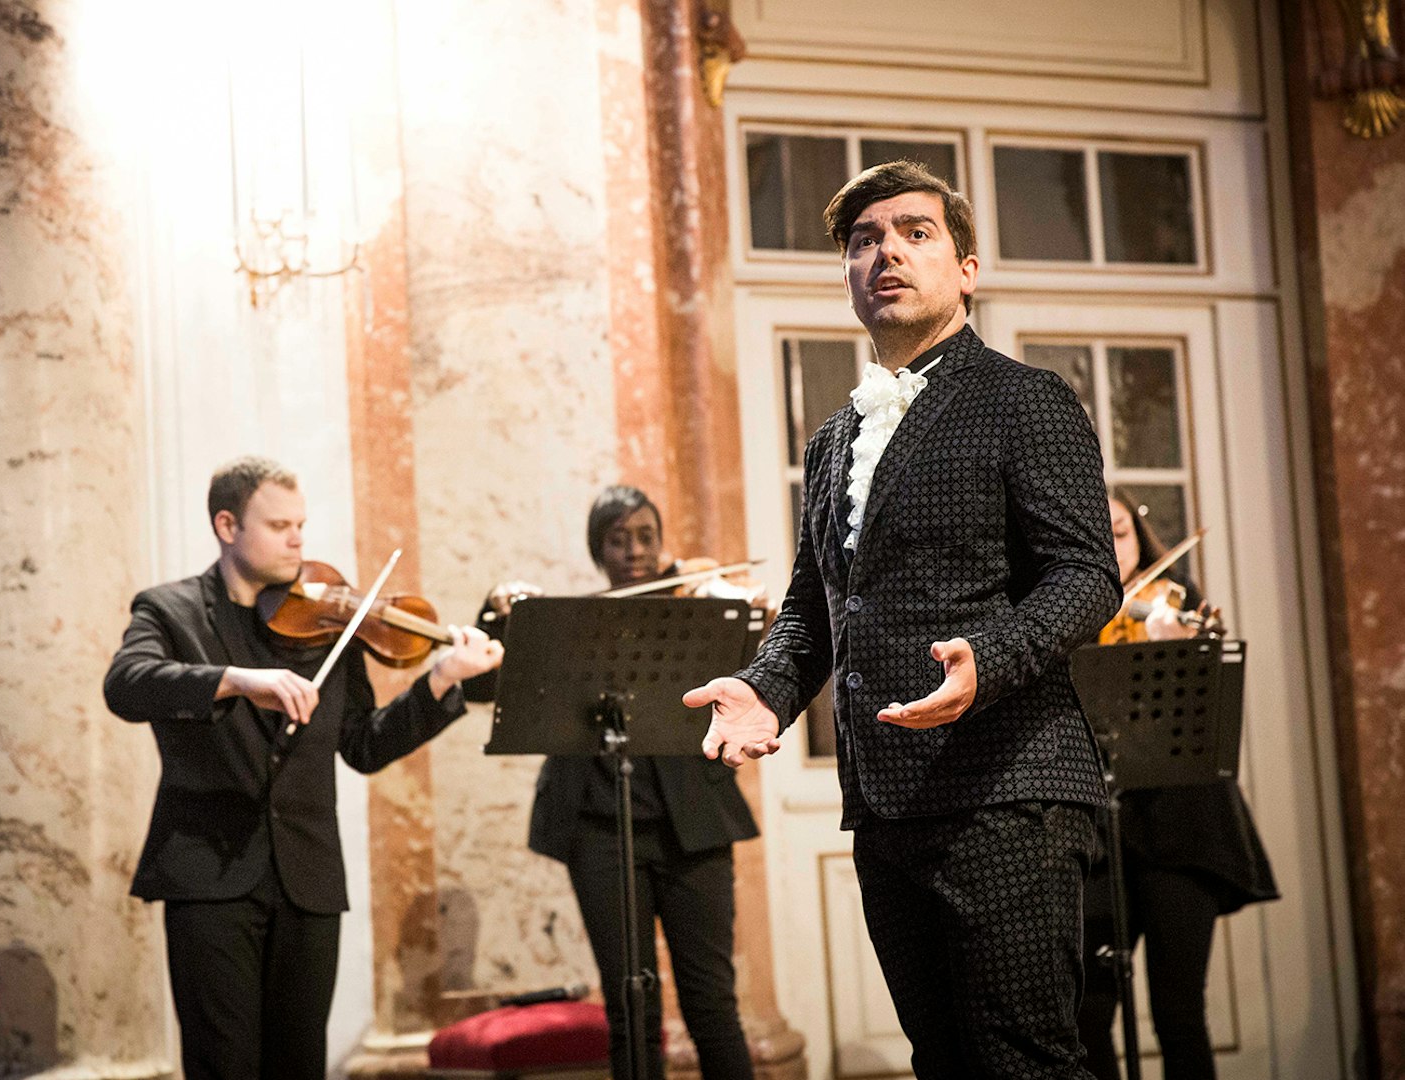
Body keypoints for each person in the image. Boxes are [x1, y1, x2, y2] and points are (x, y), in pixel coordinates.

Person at [683, 160, 1122, 1079]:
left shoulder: (1024, 398)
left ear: (966, 267)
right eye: (863, 240)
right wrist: (765, 691)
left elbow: (1087, 576)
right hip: (887, 805)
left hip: (1010, 789)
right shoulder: (832, 438)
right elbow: (814, 607)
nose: (885, 252)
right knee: (943, 1062)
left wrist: (988, 659)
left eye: (914, 233)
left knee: (1026, 1064)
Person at [103, 456, 502, 1080]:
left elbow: (364, 746)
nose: (297, 539)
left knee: (299, 1067)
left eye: (301, 525)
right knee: (223, 1066)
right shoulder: (170, 611)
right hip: (209, 878)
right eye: (280, 524)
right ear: (227, 525)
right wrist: (233, 681)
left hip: (307, 881)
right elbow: (126, 686)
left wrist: (441, 679)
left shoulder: (326, 624)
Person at [467, 485, 759, 1080]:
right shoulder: (572, 625)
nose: (635, 551)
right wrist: (494, 609)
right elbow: (478, 686)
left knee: (712, 1003)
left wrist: (744, 614)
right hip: (599, 831)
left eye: (646, 536)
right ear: (597, 549)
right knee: (630, 1006)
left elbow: (757, 664)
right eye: (618, 539)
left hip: (695, 829)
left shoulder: (697, 613)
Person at [1077, 492, 1278, 1080]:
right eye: (1093, 535)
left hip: (1181, 826)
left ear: (1139, 537)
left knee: (1178, 1011)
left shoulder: (1173, 602)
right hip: (1095, 833)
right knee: (1086, 1013)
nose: (1111, 548)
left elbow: (1208, 715)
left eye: (1118, 533)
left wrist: (1181, 647)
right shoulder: (1052, 613)